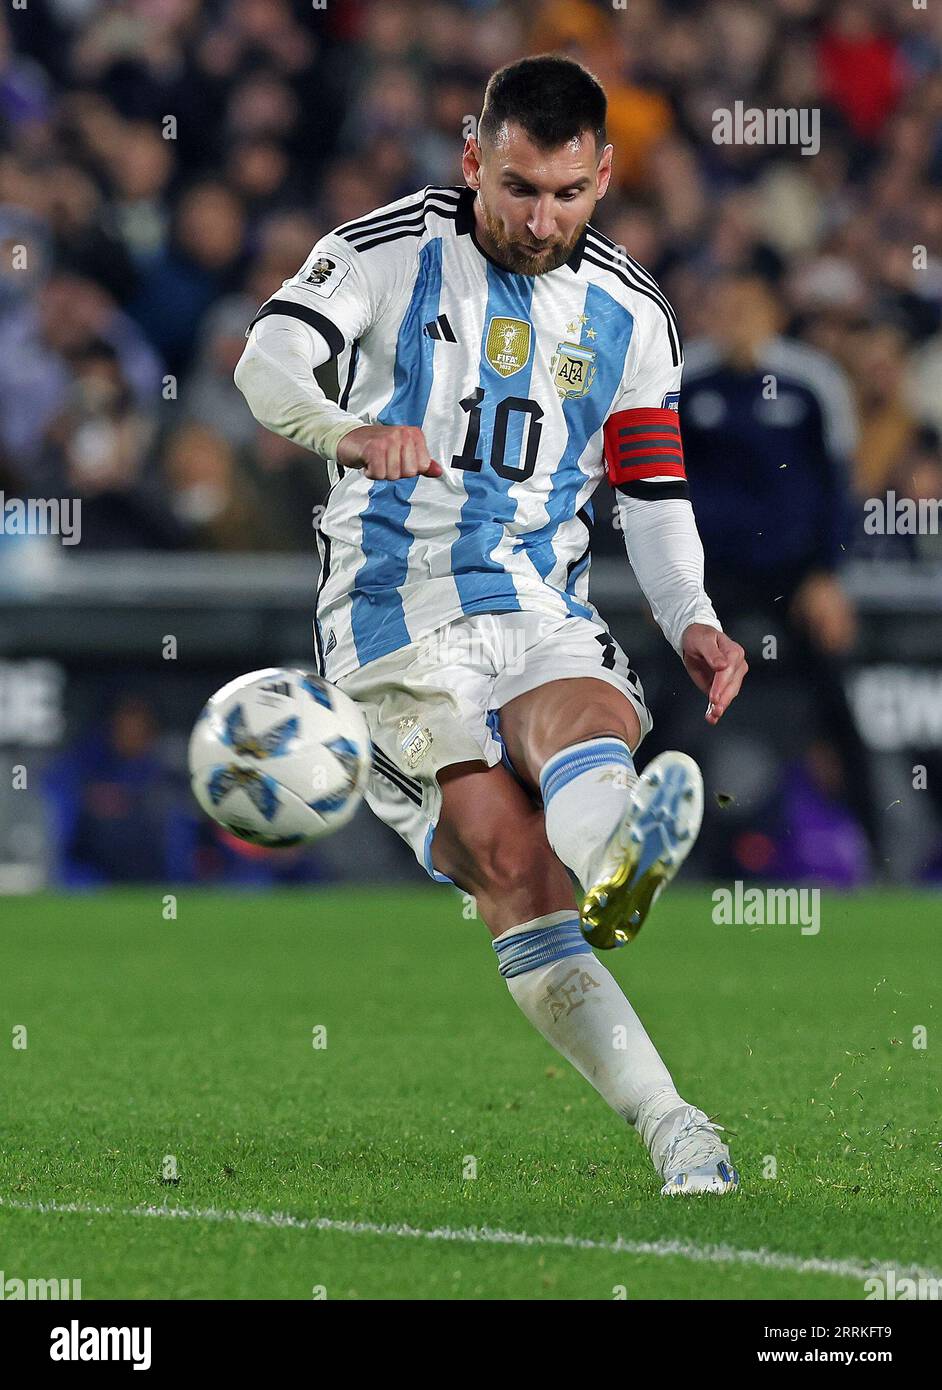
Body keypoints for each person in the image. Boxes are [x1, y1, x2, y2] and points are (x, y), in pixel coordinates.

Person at [235, 55, 748, 1196]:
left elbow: (654, 494)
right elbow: (262, 358)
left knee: (584, 718)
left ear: (606, 176)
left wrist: (695, 620)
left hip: (535, 600)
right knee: (510, 862)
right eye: (518, 186)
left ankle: (619, 860)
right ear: (474, 157)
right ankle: (670, 1113)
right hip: (392, 622)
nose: (540, 217)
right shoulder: (386, 251)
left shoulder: (632, 314)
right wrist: (343, 431)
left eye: (567, 194)